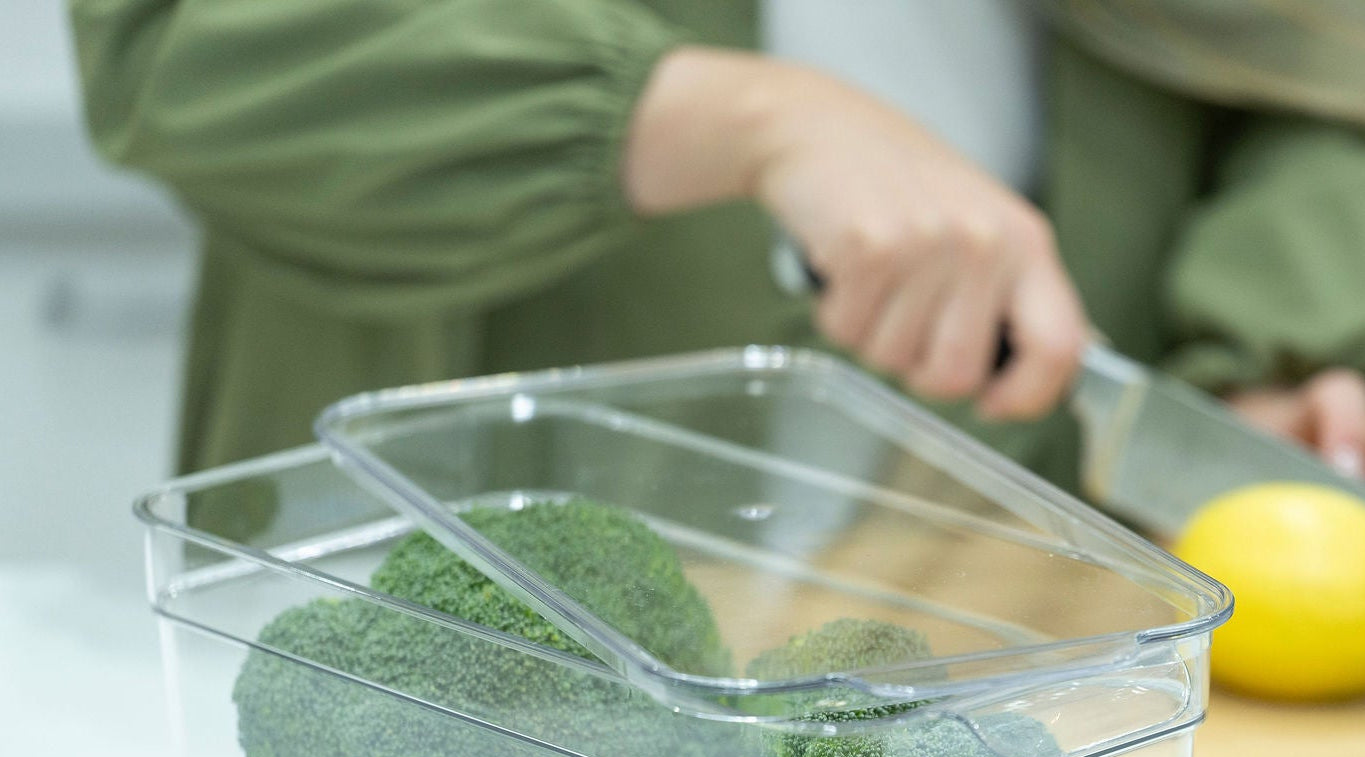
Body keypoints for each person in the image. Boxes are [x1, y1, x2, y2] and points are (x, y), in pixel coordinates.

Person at [67, 0, 1365, 496]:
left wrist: (1270, 345)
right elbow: (176, 49)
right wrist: (726, 112)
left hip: (1037, 598)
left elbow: (1309, 68)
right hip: (479, 571)